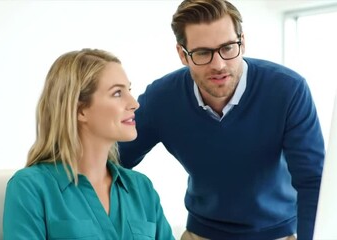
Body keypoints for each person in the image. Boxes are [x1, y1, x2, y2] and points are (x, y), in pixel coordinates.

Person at [118, 0, 325, 239]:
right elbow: (115, 159)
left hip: (280, 232)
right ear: (182, 55)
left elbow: (312, 181)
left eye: (227, 48)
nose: (219, 64)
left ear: (242, 42)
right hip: (201, 232)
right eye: (203, 53)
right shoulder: (161, 98)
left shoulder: (288, 90)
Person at [3, 49, 174, 240]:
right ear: (80, 110)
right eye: (117, 93)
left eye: (129, 90)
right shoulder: (30, 187)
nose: (134, 103)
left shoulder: (141, 188)